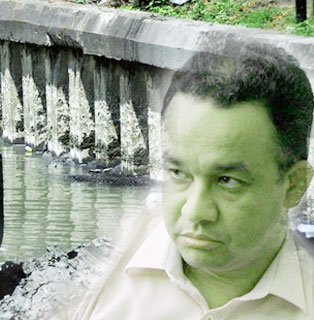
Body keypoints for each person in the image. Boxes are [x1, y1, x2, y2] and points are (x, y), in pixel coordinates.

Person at [66, 43, 314, 319]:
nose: (195, 211)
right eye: (179, 174)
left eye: (226, 180)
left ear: (294, 185)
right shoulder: (86, 280)